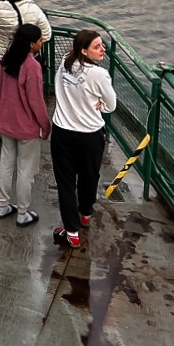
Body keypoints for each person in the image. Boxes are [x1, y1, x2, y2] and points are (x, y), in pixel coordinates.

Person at [50, 28, 117, 249]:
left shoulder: (63, 64)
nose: (103, 49)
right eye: (97, 46)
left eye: (102, 45)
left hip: (63, 131)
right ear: (84, 51)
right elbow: (111, 104)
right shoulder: (99, 75)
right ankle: (85, 212)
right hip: (90, 133)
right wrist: (101, 104)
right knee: (90, 175)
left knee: (66, 182)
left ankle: (71, 231)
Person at [0, 23, 51, 228]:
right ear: (31, 44)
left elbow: (0, 91)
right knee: (26, 169)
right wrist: (45, 125)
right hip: (26, 127)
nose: (41, 43)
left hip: (6, 122)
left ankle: (2, 206)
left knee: (6, 163)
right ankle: (23, 212)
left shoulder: (6, 61)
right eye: (40, 40)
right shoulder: (32, 67)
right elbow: (37, 102)